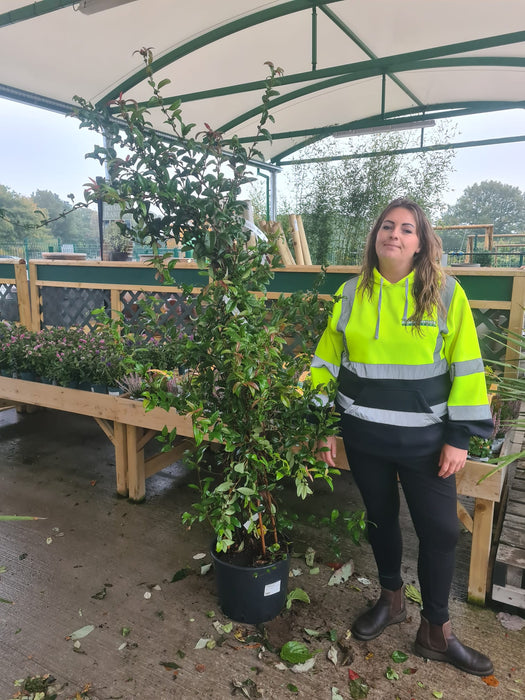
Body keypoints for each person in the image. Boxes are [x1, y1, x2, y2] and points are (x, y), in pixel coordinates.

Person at [311, 198, 494, 676]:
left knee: (441, 530)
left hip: (427, 446)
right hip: (364, 438)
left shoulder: (447, 294)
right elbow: (326, 363)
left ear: (420, 243)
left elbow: (468, 369)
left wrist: (460, 437)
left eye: (406, 229)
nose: (395, 234)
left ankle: (436, 631)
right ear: (375, 237)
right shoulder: (350, 294)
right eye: (387, 226)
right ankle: (391, 600)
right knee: (379, 519)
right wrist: (320, 425)